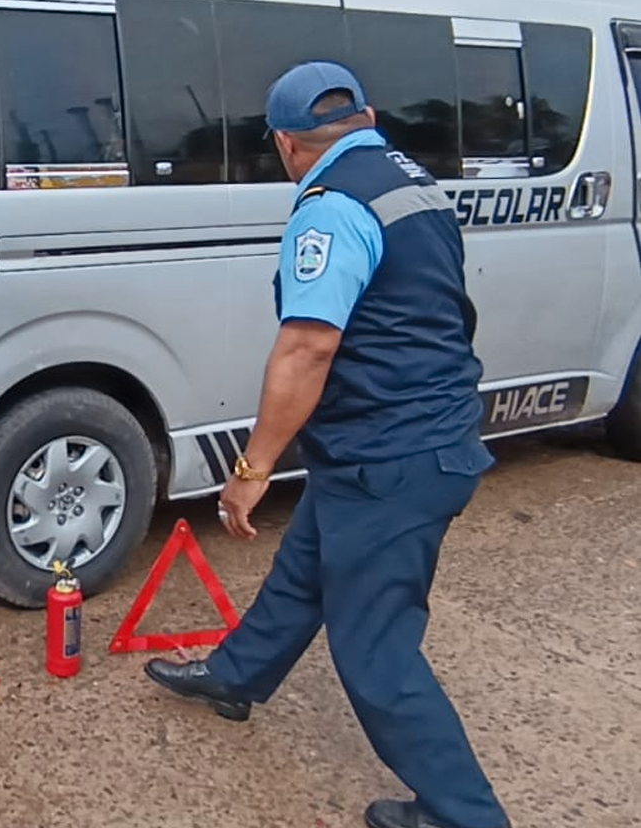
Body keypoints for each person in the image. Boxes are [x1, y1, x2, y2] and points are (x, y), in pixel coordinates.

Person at [143, 62, 510, 828]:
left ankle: (462, 814)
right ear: (366, 115)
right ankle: (235, 677)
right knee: (306, 563)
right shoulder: (407, 176)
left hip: (395, 453)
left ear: (285, 143)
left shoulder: (331, 208)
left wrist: (252, 469)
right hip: (412, 434)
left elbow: (307, 348)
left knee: (375, 646)